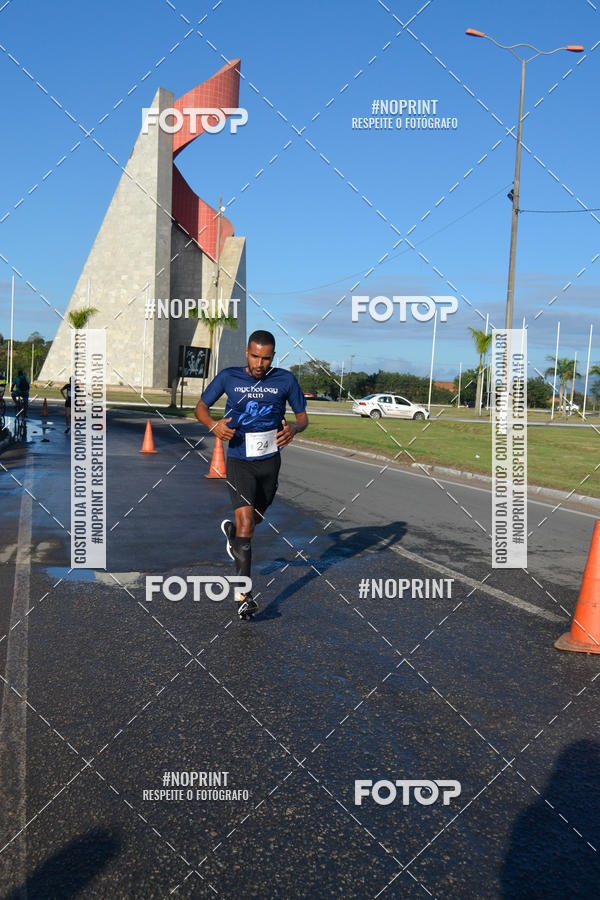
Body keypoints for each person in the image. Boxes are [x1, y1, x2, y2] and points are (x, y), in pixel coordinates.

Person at [195, 330, 309, 618]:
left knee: (254, 520)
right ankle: (243, 594)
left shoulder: (285, 379)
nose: (260, 363)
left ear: (273, 357)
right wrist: (213, 425)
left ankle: (233, 536)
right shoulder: (229, 377)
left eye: (266, 358)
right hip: (239, 459)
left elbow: (303, 417)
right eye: (255, 356)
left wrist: (294, 428)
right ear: (247, 352)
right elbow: (201, 407)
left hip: (269, 462)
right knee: (246, 520)